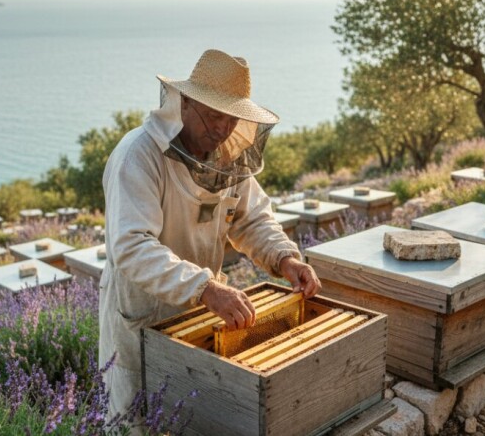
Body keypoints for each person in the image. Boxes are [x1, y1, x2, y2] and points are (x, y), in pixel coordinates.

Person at [99, 49, 321, 418]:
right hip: (143, 317)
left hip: (200, 318)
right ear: (184, 103)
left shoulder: (228, 159)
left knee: (193, 418)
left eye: (232, 119)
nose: (222, 129)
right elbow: (132, 246)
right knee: (134, 420)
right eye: (214, 115)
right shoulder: (138, 156)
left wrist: (285, 258)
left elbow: (252, 219)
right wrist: (206, 287)